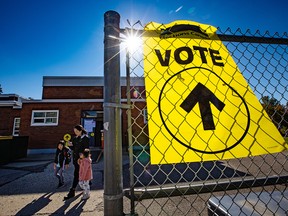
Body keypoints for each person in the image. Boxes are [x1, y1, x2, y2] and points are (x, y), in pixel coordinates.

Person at [64, 124, 90, 200]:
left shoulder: (85, 138)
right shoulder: (75, 138)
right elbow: (74, 148)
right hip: (76, 160)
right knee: (79, 174)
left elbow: (87, 149)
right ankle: (85, 185)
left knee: (77, 174)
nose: (75, 133)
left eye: (77, 131)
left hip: (82, 160)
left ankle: (72, 191)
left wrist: (83, 156)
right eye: (74, 131)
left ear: (81, 130)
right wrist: (69, 145)